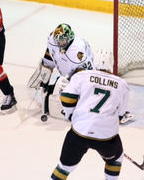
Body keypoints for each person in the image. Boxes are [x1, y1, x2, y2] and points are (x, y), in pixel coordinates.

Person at [49, 49, 130, 180]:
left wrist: (71, 115)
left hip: (80, 132)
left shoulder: (82, 76)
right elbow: (120, 116)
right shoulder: (122, 85)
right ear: (112, 63)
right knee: (116, 160)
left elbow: (66, 98)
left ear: (94, 62)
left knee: (64, 167)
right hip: (106, 137)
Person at [27, 23, 94, 120]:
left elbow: (87, 71)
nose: (59, 43)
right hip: (67, 63)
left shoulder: (78, 52)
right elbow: (50, 52)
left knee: (77, 89)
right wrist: (46, 70)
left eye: (62, 40)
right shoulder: (52, 39)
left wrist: (74, 83)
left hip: (80, 69)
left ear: (69, 38)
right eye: (57, 40)